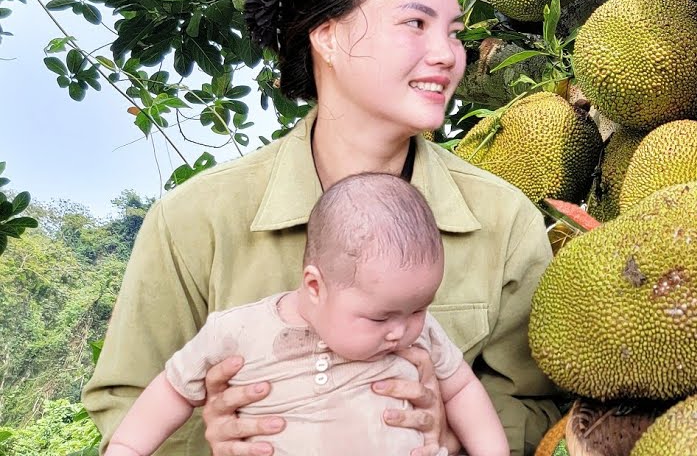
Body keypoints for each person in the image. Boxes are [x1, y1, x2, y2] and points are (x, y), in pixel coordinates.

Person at [85, 0, 560, 456]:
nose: (448, 55)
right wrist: (213, 434)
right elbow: (124, 407)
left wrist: (449, 434)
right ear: (327, 35)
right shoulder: (193, 222)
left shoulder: (504, 221)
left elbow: (539, 406)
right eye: (415, 24)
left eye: (453, 31)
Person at [104, 172, 508, 456]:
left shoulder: (420, 333)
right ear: (315, 287)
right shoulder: (239, 331)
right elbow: (172, 389)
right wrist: (126, 447)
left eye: (419, 309)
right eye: (379, 318)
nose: (400, 331)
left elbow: (461, 390)